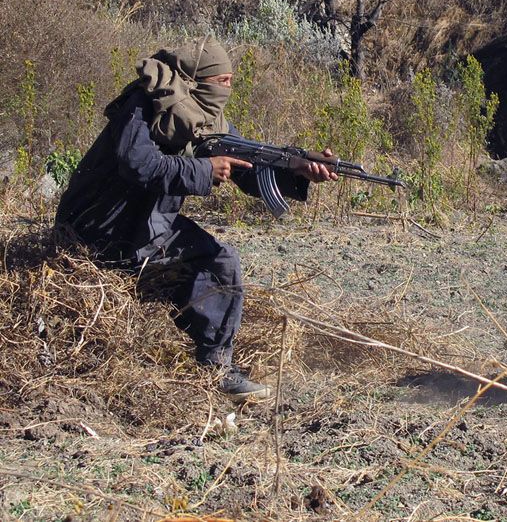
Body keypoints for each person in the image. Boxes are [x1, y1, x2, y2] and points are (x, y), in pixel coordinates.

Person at [55, 36, 337, 400]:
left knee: (220, 262)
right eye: (223, 81)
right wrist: (203, 170)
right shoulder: (143, 105)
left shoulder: (206, 119)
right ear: (196, 81)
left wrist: (298, 169)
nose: (230, 88)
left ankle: (217, 367)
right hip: (96, 225)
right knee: (217, 262)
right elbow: (137, 163)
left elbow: (249, 168)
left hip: (148, 225)